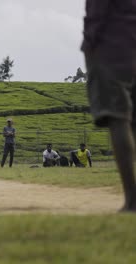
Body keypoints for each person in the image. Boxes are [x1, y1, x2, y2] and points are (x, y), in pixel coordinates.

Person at [82, 1, 136, 212]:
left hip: (112, 47)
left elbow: (98, 12)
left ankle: (132, 199)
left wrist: (90, 44)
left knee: (118, 119)